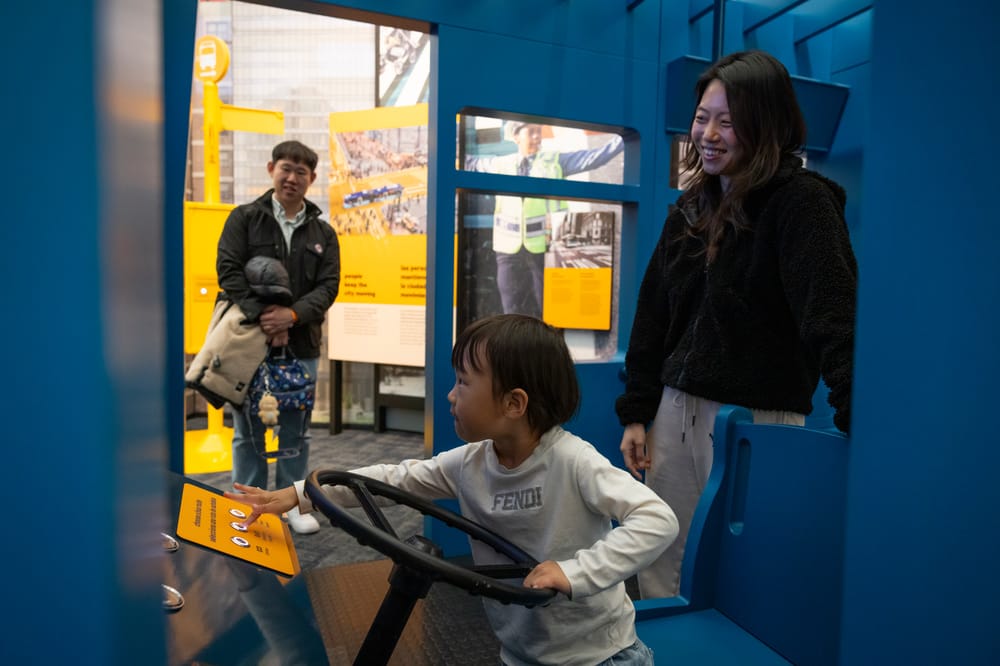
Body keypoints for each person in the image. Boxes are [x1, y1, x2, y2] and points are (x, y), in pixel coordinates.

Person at [228, 314, 678, 666]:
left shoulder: (573, 461)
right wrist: (298, 494)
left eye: (463, 382)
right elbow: (393, 479)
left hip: (599, 656)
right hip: (521, 653)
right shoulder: (469, 463)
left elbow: (657, 520)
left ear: (513, 404)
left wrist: (576, 572)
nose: (450, 395)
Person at [615, 50, 857, 599]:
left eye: (728, 120)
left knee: (750, 575)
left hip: (758, 419)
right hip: (673, 412)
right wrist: (637, 413)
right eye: (703, 117)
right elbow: (653, 317)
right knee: (660, 567)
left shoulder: (803, 204)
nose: (710, 134)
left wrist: (857, 420)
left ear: (766, 123)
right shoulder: (690, 207)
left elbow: (835, 316)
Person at [216, 139, 340, 535]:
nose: (292, 177)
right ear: (271, 168)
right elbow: (228, 271)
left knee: (295, 429)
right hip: (248, 345)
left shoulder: (323, 232)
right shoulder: (244, 219)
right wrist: (264, 317)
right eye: (286, 168)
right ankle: (246, 500)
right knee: (246, 430)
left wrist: (291, 315)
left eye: (301, 172)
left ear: (312, 179)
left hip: (300, 345)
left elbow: (328, 286)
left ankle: (292, 504)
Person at [465, 123, 623, 318]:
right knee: (511, 308)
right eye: (531, 132)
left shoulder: (555, 161)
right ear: (516, 137)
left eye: (538, 132)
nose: (537, 137)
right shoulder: (500, 164)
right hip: (507, 248)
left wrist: (625, 139)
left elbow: (594, 158)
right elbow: (469, 163)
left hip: (545, 247)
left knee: (548, 310)